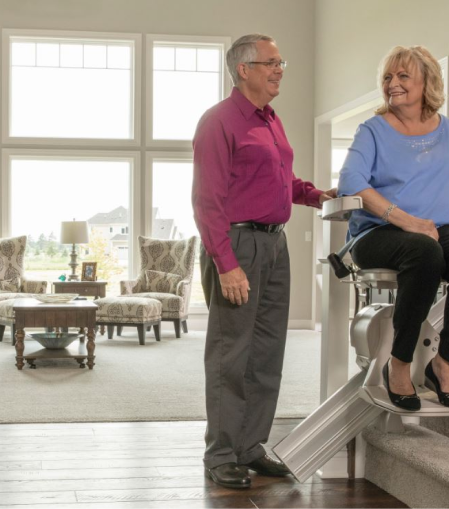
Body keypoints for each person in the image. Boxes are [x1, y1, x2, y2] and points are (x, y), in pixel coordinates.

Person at [192, 34, 334, 490]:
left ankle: (250, 447)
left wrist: (316, 195)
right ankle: (220, 453)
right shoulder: (219, 122)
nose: (279, 70)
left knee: (268, 350)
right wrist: (226, 263)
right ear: (243, 69)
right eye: (270, 63)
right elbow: (207, 202)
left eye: (281, 62)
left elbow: (281, 179)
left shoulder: (270, 120)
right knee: (230, 353)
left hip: (275, 244)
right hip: (237, 243)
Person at [337, 45, 449, 412]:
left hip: (437, 229)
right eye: (388, 77)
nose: (393, 84)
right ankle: (399, 363)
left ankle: (444, 362)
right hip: (378, 233)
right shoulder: (372, 130)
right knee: (424, 250)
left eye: (403, 76)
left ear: (427, 83)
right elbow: (351, 182)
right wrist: (407, 220)